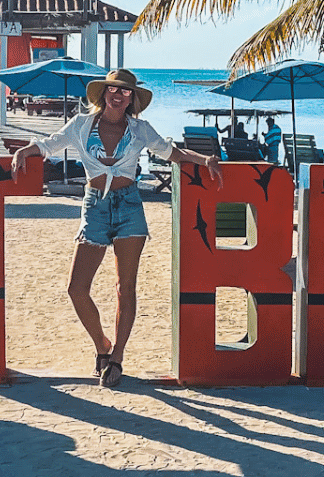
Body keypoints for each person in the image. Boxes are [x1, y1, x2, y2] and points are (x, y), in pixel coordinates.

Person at [12, 69, 221, 388]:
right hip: (94, 205)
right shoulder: (82, 124)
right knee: (76, 288)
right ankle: (102, 346)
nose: (118, 95)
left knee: (126, 287)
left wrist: (204, 160)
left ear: (132, 98)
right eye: (113, 89)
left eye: (124, 92)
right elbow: (51, 144)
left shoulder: (140, 129)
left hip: (129, 205)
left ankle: (118, 357)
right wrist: (25, 150)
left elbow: (172, 153)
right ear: (104, 93)